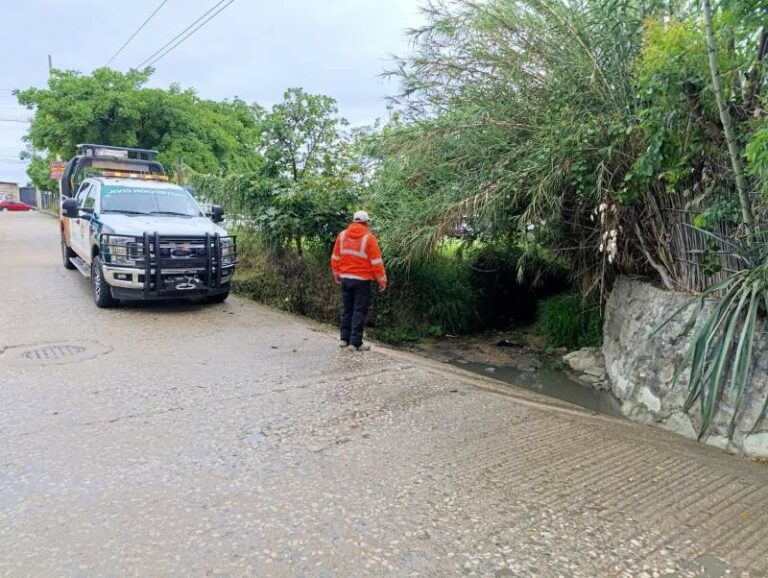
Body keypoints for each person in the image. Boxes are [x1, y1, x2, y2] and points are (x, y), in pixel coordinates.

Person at [331, 210, 387, 351]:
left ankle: (344, 339)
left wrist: (336, 273)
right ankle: (355, 343)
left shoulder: (342, 235)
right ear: (366, 223)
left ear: (354, 221)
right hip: (362, 281)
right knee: (359, 311)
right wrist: (382, 280)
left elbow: (335, 257)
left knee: (347, 309)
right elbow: (376, 262)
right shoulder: (369, 238)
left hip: (345, 279)